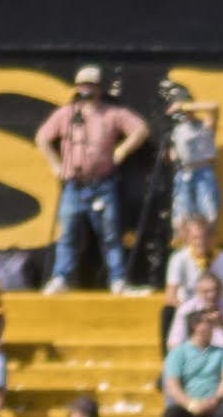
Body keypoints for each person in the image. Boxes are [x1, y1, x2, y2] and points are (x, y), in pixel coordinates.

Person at [39, 67, 149, 292]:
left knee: (110, 234)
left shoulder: (112, 114)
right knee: (67, 232)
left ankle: (118, 279)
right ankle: (61, 277)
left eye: (90, 85)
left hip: (102, 183)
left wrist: (122, 150)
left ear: (99, 88)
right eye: (82, 85)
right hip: (73, 184)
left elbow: (141, 129)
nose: (86, 89)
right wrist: (55, 165)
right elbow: (42, 138)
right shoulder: (66, 114)